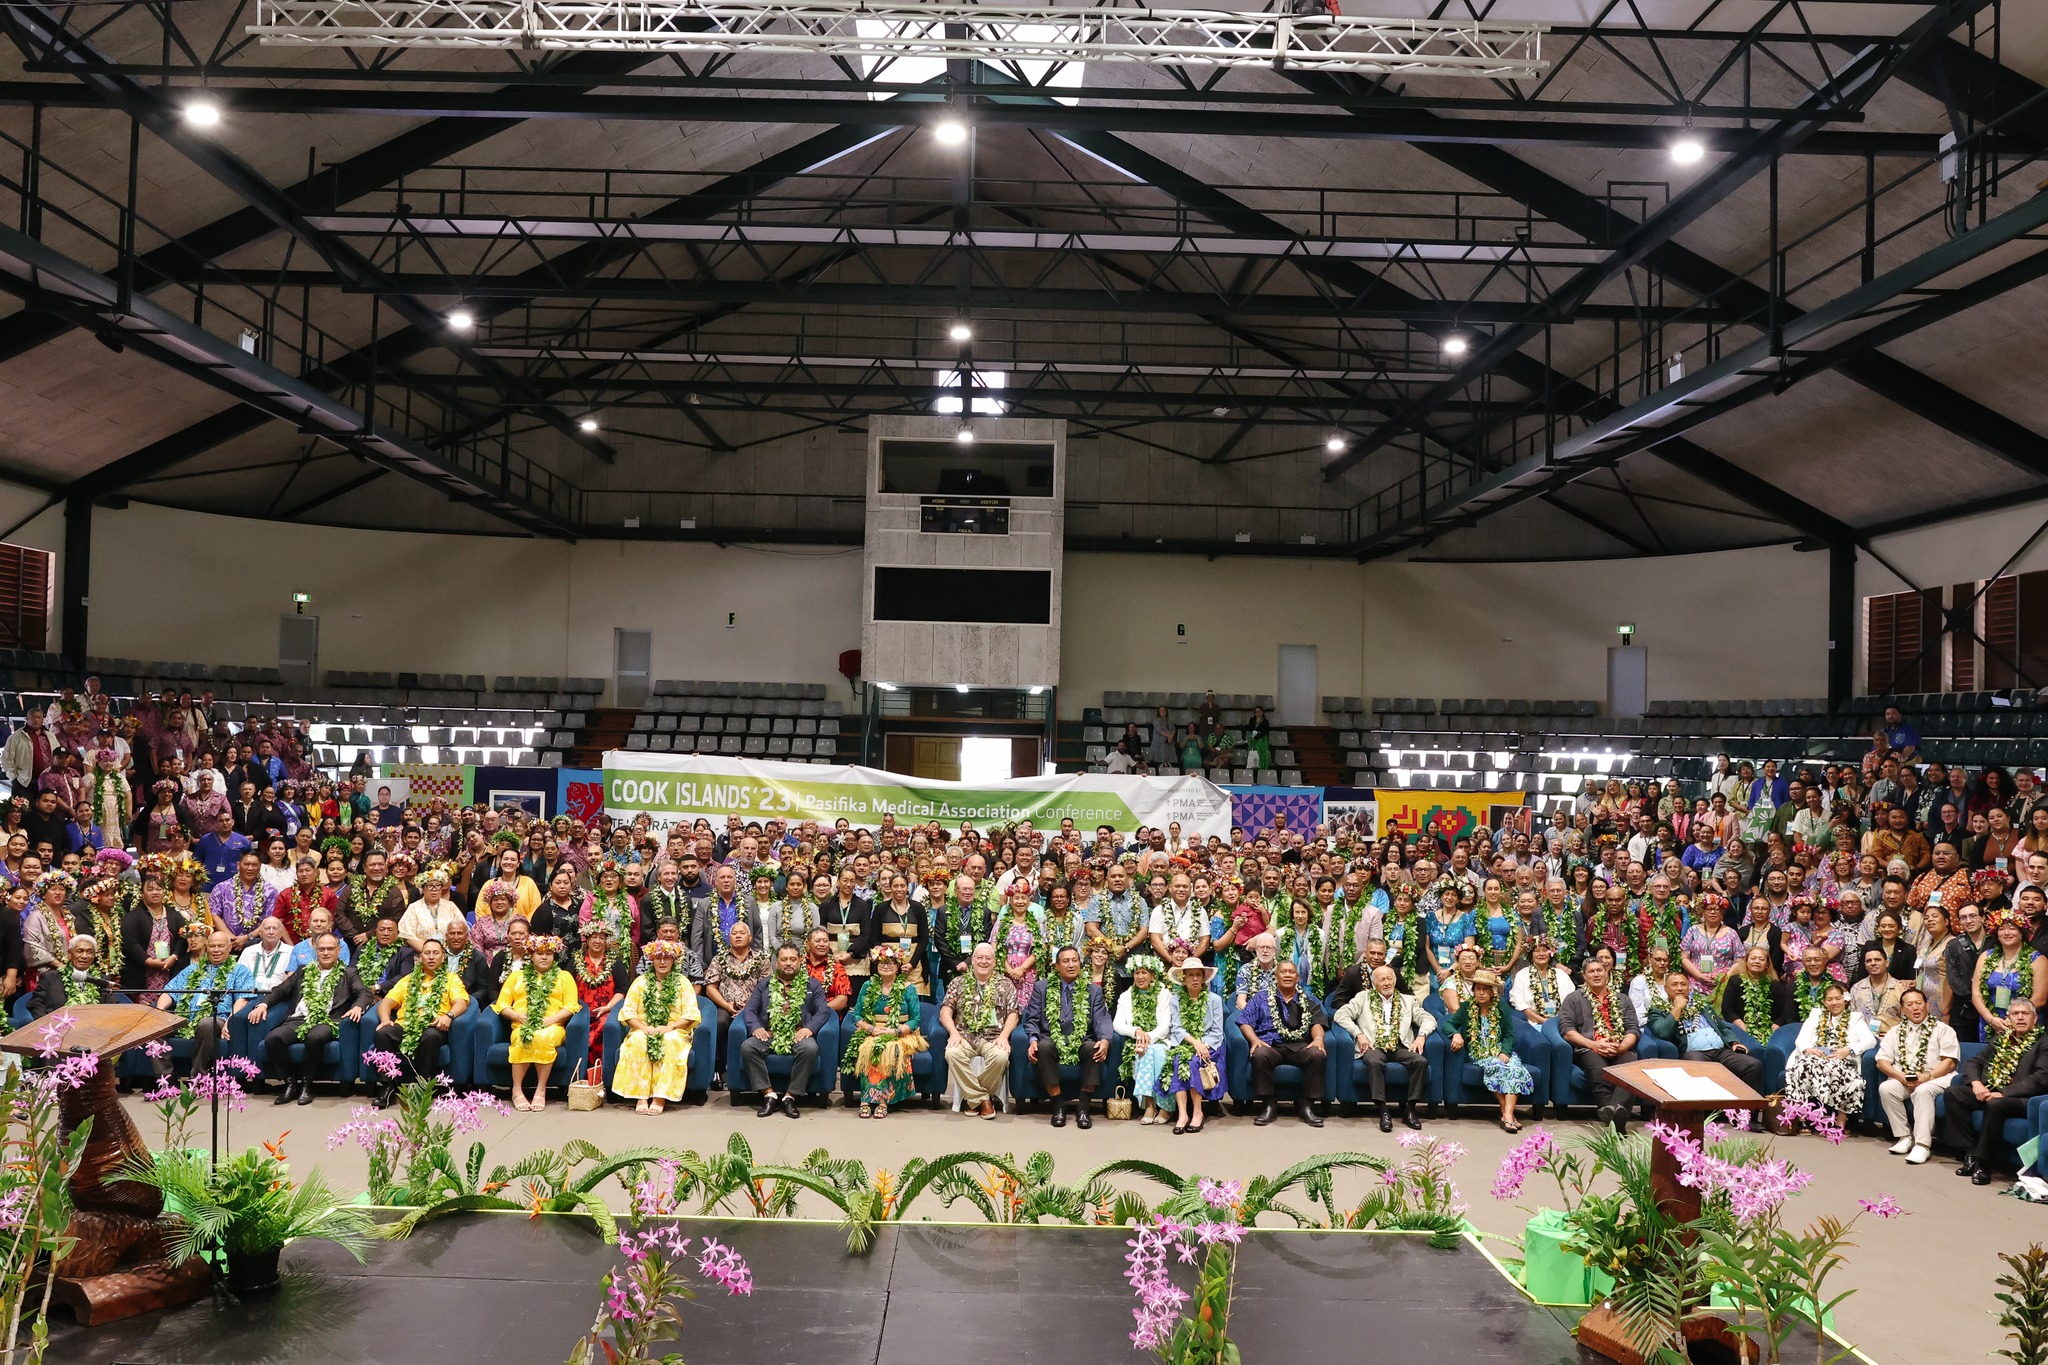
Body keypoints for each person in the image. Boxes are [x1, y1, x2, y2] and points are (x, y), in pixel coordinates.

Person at [248, 931, 370, 1105]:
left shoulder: (348, 973)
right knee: (273, 1039)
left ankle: (307, 1084)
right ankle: (290, 1083)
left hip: (327, 1020)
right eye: (321, 949)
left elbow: (364, 993)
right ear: (315, 951)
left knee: (315, 1037)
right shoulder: (303, 971)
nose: (326, 953)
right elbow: (281, 990)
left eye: (330, 949)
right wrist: (263, 1004)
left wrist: (358, 1006)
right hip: (299, 1018)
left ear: (338, 950)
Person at [1943, 996, 2048, 1185]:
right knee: (1953, 1093)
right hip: (1991, 1092)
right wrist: (1976, 1083)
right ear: (2008, 1019)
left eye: (2026, 1013)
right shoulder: (2001, 1040)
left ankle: (1983, 1163)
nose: (2020, 1018)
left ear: (2035, 1018)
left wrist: (2005, 1093)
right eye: (2015, 1014)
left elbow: (2041, 1079)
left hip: (2026, 1100)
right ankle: (1970, 1153)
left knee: (1995, 1104)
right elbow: (1973, 1062)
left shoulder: (2044, 1043)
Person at [1334, 962, 1433, 1131]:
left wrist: (1421, 1036)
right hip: (1374, 1046)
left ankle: (1410, 1109)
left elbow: (1428, 1019)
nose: (1387, 983)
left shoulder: (1408, 1001)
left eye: (1389, 979)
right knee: (1374, 1062)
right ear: (1374, 983)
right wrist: (1359, 1034)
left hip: (1400, 1046)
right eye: (1382, 980)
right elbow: (1340, 1014)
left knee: (1420, 1062)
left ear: (1395, 981)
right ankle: (1383, 1110)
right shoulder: (1363, 998)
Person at [371, 937, 470, 1106]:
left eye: (435, 953)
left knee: (430, 1036)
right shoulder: (408, 980)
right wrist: (386, 1019)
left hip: (434, 1025)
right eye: (427, 953)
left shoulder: (451, 979)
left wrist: (449, 1016)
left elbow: (461, 1002)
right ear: (420, 957)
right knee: (383, 1033)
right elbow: (386, 1002)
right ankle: (388, 1087)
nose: (431, 957)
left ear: (443, 957)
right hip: (406, 1024)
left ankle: (424, 1088)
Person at [741, 943, 832, 1118]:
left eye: (792, 959)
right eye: (784, 959)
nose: (788, 963)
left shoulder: (812, 984)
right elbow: (750, 1009)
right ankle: (769, 1095)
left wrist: (809, 1029)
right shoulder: (764, 984)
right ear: (777, 963)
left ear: (799, 961)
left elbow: (823, 1010)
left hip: (798, 1034)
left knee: (810, 1049)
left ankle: (791, 1096)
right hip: (770, 1034)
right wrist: (757, 1027)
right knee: (748, 1047)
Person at [1025, 943, 1111, 1128]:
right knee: (1043, 1047)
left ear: (1080, 964)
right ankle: (1058, 1107)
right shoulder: (1042, 987)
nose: (1071, 965)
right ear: (1057, 966)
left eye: (1075, 960)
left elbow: (1101, 1019)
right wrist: (1033, 1040)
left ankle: (1083, 1108)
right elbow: (1031, 1019)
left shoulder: (1093, 990)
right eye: (1066, 961)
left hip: (1082, 1039)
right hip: (1052, 1038)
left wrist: (1104, 1039)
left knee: (1093, 1048)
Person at [612, 938, 701, 1115]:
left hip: (675, 1030)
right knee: (637, 1040)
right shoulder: (640, 982)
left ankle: (660, 1096)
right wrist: (644, 1028)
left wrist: (671, 1027)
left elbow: (691, 1013)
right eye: (658, 958)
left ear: (673, 960)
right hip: (643, 1028)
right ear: (651, 960)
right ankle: (641, 1096)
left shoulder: (683, 982)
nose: (662, 962)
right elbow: (628, 1012)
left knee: (670, 1041)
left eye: (666, 958)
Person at [1237, 958, 1327, 1128]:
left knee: (1317, 1054)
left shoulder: (1307, 999)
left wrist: (1318, 1039)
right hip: (1270, 1044)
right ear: (1276, 976)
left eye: (1291, 972)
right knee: (1260, 1054)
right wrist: (1255, 1040)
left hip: (1300, 1045)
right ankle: (1268, 1105)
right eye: (1283, 972)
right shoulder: (1261, 998)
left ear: (1297, 977)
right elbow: (1245, 1021)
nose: (1287, 975)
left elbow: (1317, 1023)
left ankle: (1307, 1106)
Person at [1874, 987, 1959, 1166]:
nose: (1915, 1008)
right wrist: (1899, 1076)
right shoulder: (1895, 1031)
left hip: (1939, 1077)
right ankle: (1904, 1136)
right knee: (1887, 1088)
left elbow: (1950, 1061)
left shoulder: (1943, 1030)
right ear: (1903, 1010)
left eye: (1919, 1003)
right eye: (1910, 1005)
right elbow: (1881, 1061)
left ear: (1927, 1005)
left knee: (1922, 1090)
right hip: (1906, 1077)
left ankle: (1922, 1145)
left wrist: (1928, 1076)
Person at [1557, 956, 1643, 1132]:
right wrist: (1593, 1045)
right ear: (1584, 976)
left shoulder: (1622, 999)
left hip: (1619, 1047)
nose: (1596, 974)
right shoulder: (1573, 999)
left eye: (1599, 970)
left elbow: (1633, 1029)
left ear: (1607, 973)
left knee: (1631, 1071)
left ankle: (1612, 1117)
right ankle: (1617, 1125)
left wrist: (1622, 1046)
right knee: (1599, 1072)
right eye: (1591, 971)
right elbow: (1567, 1030)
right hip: (1589, 1048)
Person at [495, 934, 580, 1111]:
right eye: (539, 953)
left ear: (554, 956)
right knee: (522, 1036)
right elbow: (501, 1004)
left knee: (543, 1036)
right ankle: (516, 1090)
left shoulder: (564, 976)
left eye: (548, 953)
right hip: (522, 1024)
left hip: (553, 1026)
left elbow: (571, 1006)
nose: (544, 957)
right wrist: (516, 1015)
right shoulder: (517, 976)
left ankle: (541, 1090)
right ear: (531, 955)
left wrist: (551, 1020)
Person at [157, 928, 257, 1076]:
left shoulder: (239, 970)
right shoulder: (192, 969)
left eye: (221, 946)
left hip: (218, 1018)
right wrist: (160, 1011)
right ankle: (166, 1079)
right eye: (212, 946)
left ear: (229, 948)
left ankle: (198, 1077)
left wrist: (231, 1020)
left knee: (206, 1023)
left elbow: (242, 999)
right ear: (207, 947)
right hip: (186, 1016)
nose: (216, 950)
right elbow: (169, 992)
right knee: (156, 1027)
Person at [841, 944, 926, 1120]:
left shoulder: (908, 988)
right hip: (873, 1031)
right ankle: (865, 1100)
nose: (886, 966)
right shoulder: (867, 986)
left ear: (898, 966)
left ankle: (882, 1101)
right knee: (869, 1048)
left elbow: (915, 1019)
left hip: (900, 1033)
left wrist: (895, 1031)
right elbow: (857, 1016)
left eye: (890, 963)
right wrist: (872, 1029)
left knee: (889, 1049)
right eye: (882, 962)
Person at [1444, 969, 1533, 1132]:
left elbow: (1509, 1034)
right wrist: (1456, 1034)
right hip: (1478, 1054)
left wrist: (1505, 1052)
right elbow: (1447, 1024)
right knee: (1497, 1068)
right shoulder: (1466, 1007)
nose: (1482, 993)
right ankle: (1509, 1115)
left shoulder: (1501, 1008)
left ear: (1492, 992)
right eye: (1478, 989)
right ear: (1474, 991)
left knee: (1514, 1068)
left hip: (1499, 1051)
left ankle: (1507, 1115)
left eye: (1485, 989)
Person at [941, 941, 1020, 1120]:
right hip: (965, 1036)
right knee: (952, 1053)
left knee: (1001, 1057)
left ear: (994, 962)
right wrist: (953, 1033)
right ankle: (984, 1100)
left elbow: (1014, 1014)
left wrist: (1004, 1036)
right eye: (979, 958)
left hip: (994, 1037)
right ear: (973, 961)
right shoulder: (958, 982)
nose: (983, 962)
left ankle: (973, 1099)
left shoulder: (1005, 984)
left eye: (988, 958)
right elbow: (945, 1011)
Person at [1783, 982, 1876, 1124]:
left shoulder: (1855, 1018)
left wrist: (1848, 1050)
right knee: (1803, 1066)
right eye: (1830, 999)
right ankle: (1802, 1117)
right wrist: (1809, 1049)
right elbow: (1801, 1039)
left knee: (1840, 1071)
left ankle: (1841, 1120)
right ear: (1824, 1002)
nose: (1834, 1003)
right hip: (1816, 1056)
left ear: (1845, 1000)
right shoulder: (1816, 1016)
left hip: (1842, 1059)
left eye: (1838, 999)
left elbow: (1870, 1041)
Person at [1654, 969, 1764, 1090]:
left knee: (1753, 1065)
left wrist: (1734, 1042)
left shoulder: (1702, 1004)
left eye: (1683, 984)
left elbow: (1722, 1027)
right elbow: (1662, 1033)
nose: (1680, 988)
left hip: (1721, 1051)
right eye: (1674, 984)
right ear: (1665, 989)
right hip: (1694, 1052)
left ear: (1689, 987)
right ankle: (1708, 1109)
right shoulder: (1659, 1010)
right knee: (1701, 1068)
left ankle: (1743, 1108)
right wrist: (1677, 1008)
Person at [1164, 957, 1226, 1134]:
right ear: (1184, 978)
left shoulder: (1214, 1000)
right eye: (1191, 975)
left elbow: (1217, 1031)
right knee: (1178, 1061)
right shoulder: (1175, 1000)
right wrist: (1195, 1043)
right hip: (1185, 1042)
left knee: (1193, 1062)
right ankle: (1182, 1115)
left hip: (1209, 1045)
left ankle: (1197, 1112)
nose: (1195, 979)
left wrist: (1203, 1045)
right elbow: (1177, 1028)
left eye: (1199, 975)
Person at [1115, 953, 1178, 1126]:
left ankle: (1166, 1106)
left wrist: (1147, 1037)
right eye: (1136, 973)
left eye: (1144, 972)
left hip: (1161, 1040)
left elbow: (1166, 1025)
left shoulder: (1164, 994)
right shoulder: (1126, 996)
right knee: (1145, 1053)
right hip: (1136, 1043)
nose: (1140, 976)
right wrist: (1136, 1031)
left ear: (1153, 975)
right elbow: (1117, 1024)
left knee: (1158, 1053)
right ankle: (1149, 1105)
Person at [1972, 909, 2048, 1036]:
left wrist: (2013, 1019)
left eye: (2012, 929)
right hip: (1991, 1023)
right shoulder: (1986, 957)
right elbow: (1976, 993)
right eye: (2002, 929)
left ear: (2021, 933)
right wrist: (1991, 1019)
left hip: (2023, 1025)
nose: (2006, 933)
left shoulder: (2038, 960)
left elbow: (2040, 998)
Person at [1717, 944, 1791, 1044]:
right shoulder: (1735, 981)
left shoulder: (1775, 985)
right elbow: (1727, 1009)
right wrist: (1740, 1024)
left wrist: (1777, 1024)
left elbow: (1785, 1011)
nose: (1757, 961)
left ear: (1767, 964)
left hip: (1769, 1033)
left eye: (1761, 959)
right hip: (1740, 1030)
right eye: (1753, 958)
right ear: (1746, 961)